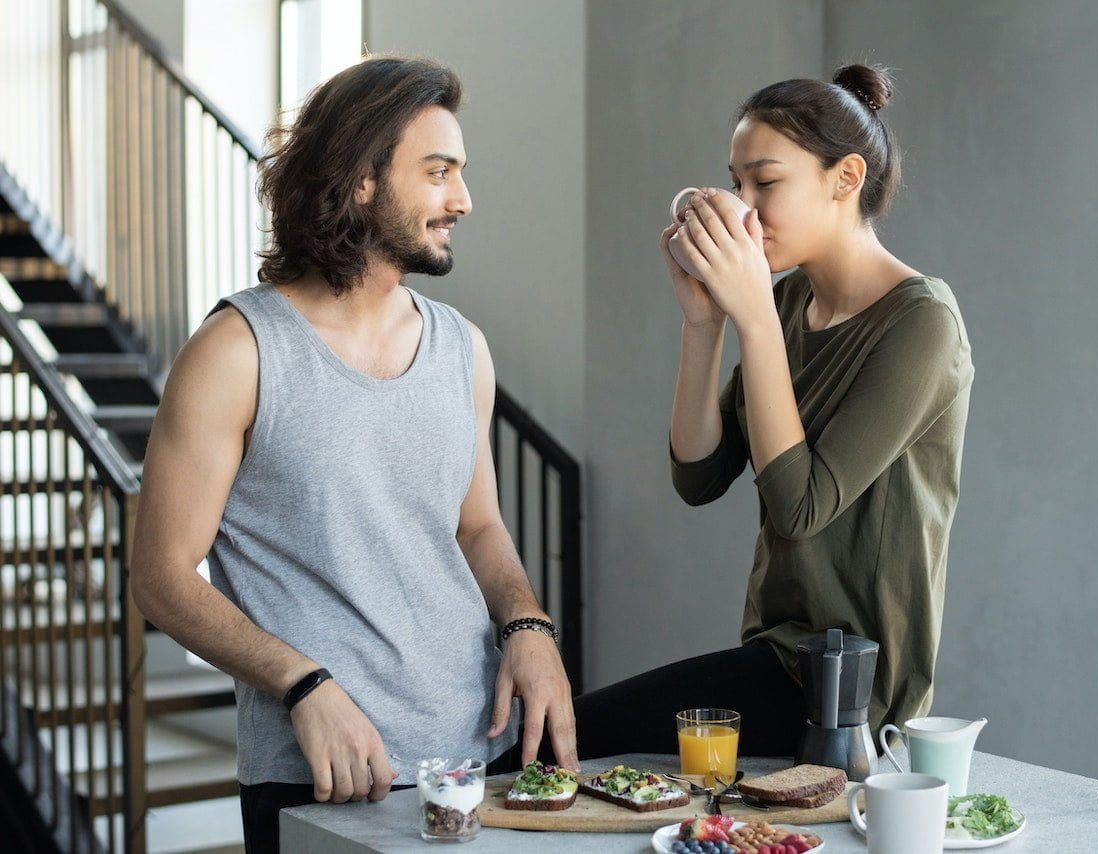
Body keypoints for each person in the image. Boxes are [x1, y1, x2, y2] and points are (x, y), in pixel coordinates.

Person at [130, 56, 576, 853]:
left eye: (460, 173)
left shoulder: (461, 349)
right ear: (361, 181)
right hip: (321, 771)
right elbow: (162, 576)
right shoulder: (238, 351)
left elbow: (477, 529)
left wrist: (528, 626)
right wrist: (303, 684)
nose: (462, 200)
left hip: (483, 761)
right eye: (438, 173)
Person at [573, 63, 974, 760]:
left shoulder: (922, 324)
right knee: (574, 747)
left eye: (767, 182)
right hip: (778, 655)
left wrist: (753, 316)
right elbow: (697, 477)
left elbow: (801, 506)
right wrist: (705, 324)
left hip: (849, 686)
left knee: (568, 734)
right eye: (736, 182)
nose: (744, 206)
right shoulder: (789, 305)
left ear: (845, 180)